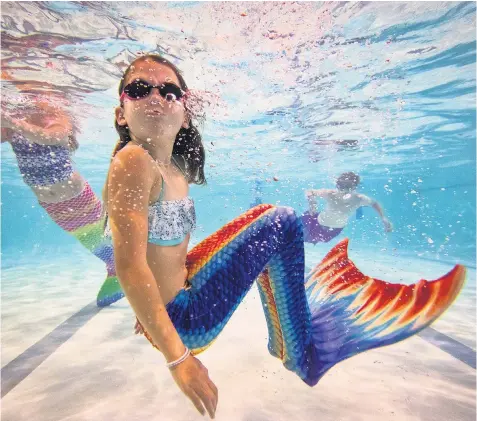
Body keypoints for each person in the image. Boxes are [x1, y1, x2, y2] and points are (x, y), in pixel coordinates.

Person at [2, 54, 466, 419]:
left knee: (267, 217)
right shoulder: (133, 162)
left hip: (178, 302)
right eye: (139, 89)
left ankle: (294, 331)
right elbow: (129, 264)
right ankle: (300, 351)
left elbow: (167, 249)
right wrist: (178, 358)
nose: (155, 96)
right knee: (282, 221)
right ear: (121, 111)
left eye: (169, 90)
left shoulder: (174, 169)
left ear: (185, 112)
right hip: (185, 323)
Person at [303, 172, 392, 244]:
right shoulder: (359, 198)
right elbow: (374, 203)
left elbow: (310, 192)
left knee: (302, 224)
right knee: (312, 236)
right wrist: (383, 217)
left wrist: (312, 203)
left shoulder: (331, 193)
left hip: (318, 225)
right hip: (334, 230)